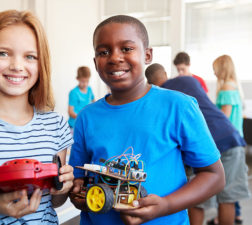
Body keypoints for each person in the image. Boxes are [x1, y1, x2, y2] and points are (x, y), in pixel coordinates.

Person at [69, 15, 225, 225]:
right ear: (95, 62)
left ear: (148, 54)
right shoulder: (86, 117)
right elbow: (79, 176)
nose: (115, 57)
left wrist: (167, 205)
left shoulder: (178, 106)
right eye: (103, 52)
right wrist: (78, 192)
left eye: (126, 48)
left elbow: (214, 176)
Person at [0, 10, 74, 225]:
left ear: (41, 63)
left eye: (30, 56)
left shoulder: (55, 125)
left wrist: (63, 186)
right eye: (3, 53)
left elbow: (55, 200)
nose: (17, 66)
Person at [145, 63, 250, 225]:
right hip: (230, 137)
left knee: (196, 200)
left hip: (204, 145)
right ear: (165, 73)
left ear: (149, 83)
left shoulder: (161, 97)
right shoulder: (189, 80)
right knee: (227, 199)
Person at [210, 55, 247, 225]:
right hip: (238, 137)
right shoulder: (235, 87)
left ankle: (224, 217)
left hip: (227, 141)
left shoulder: (226, 88)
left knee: (227, 182)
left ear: (222, 69)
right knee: (233, 179)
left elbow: (224, 117)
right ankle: (237, 214)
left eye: (215, 69)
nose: (214, 72)